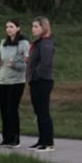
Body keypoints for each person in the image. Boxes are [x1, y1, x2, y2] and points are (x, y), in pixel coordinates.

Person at [0, 19, 30, 148]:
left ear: (18, 28)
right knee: (4, 109)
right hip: (3, 80)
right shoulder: (4, 42)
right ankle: (6, 138)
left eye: (11, 27)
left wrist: (15, 65)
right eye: (7, 27)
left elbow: (27, 63)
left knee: (12, 109)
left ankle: (15, 138)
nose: (9, 29)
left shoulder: (23, 43)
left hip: (16, 81)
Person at [27, 16, 56, 152]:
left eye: (36, 26)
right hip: (35, 81)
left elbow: (46, 63)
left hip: (43, 81)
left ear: (44, 27)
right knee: (38, 112)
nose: (33, 29)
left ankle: (48, 142)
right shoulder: (38, 43)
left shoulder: (46, 43)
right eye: (32, 26)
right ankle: (41, 140)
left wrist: (36, 75)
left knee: (43, 112)